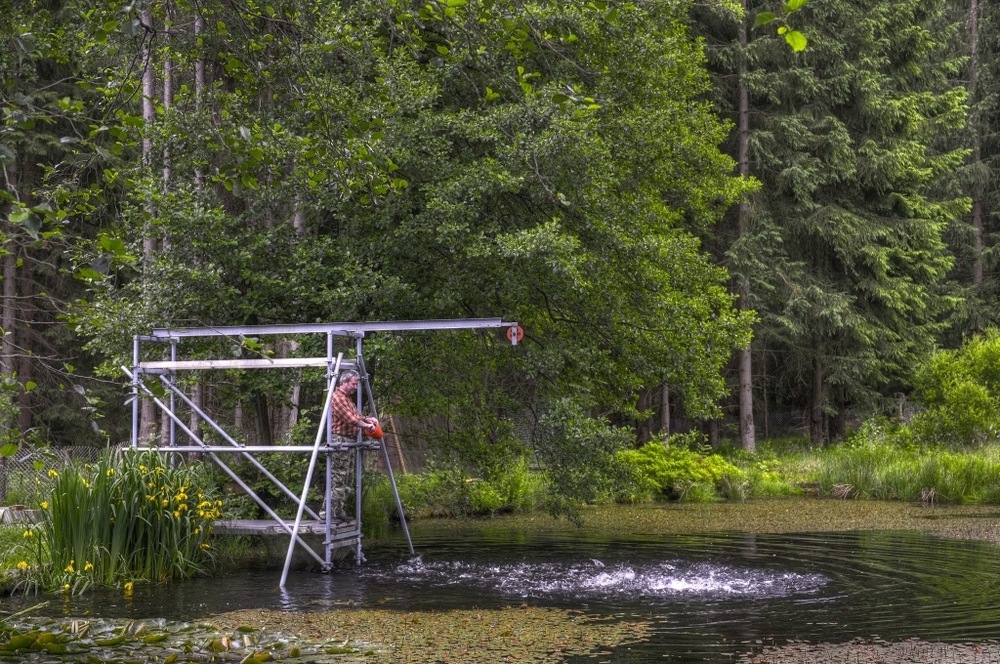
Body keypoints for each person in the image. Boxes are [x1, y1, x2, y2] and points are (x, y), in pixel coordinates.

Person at [327, 369, 378, 520]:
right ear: (344, 382)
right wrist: (368, 427)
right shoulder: (337, 398)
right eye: (354, 384)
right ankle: (329, 513)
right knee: (339, 477)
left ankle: (338, 511)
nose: (356, 387)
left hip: (348, 440)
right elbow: (351, 419)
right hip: (340, 440)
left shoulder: (347, 398)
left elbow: (357, 416)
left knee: (347, 478)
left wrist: (368, 419)